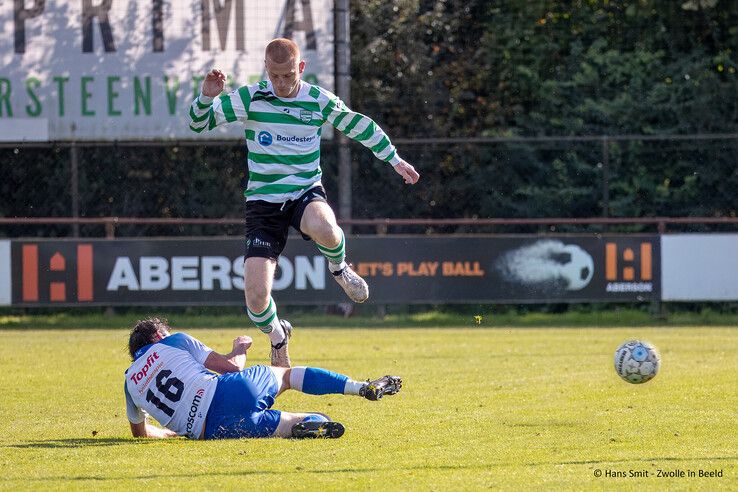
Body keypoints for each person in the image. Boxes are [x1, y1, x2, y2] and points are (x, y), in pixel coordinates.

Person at [188, 38, 420, 367]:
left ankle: (339, 269)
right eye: (274, 76)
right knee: (255, 300)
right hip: (263, 205)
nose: (280, 83)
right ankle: (278, 335)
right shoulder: (250, 98)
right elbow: (198, 124)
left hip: (303, 191)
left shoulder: (317, 100)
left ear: (300, 68)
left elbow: (358, 125)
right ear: (266, 69)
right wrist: (206, 97)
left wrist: (394, 159)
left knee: (326, 227)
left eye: (287, 75)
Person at [124, 318, 402, 440]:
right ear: (158, 336)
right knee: (288, 375)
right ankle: (360, 387)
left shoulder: (129, 382)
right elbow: (232, 368)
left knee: (315, 419)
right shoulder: (174, 341)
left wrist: (173, 431)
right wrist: (239, 349)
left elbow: (141, 432)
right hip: (227, 392)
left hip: (212, 432)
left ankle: (304, 426)